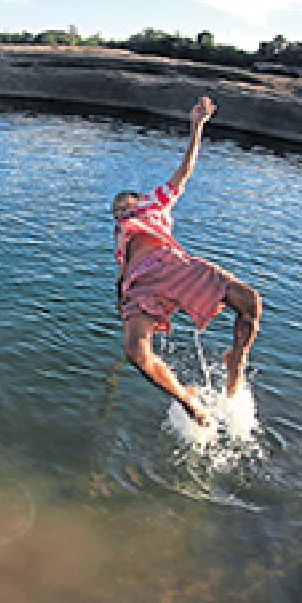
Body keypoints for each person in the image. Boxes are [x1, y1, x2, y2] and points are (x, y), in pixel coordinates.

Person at [113, 96, 262, 426]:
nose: (122, 209)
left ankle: (234, 361)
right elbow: (121, 276)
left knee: (249, 303)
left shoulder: (154, 205)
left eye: (126, 204)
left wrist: (196, 126)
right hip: (139, 287)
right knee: (136, 353)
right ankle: (189, 401)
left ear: (139, 201)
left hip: (171, 267)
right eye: (117, 210)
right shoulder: (121, 236)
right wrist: (121, 306)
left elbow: (185, 171)